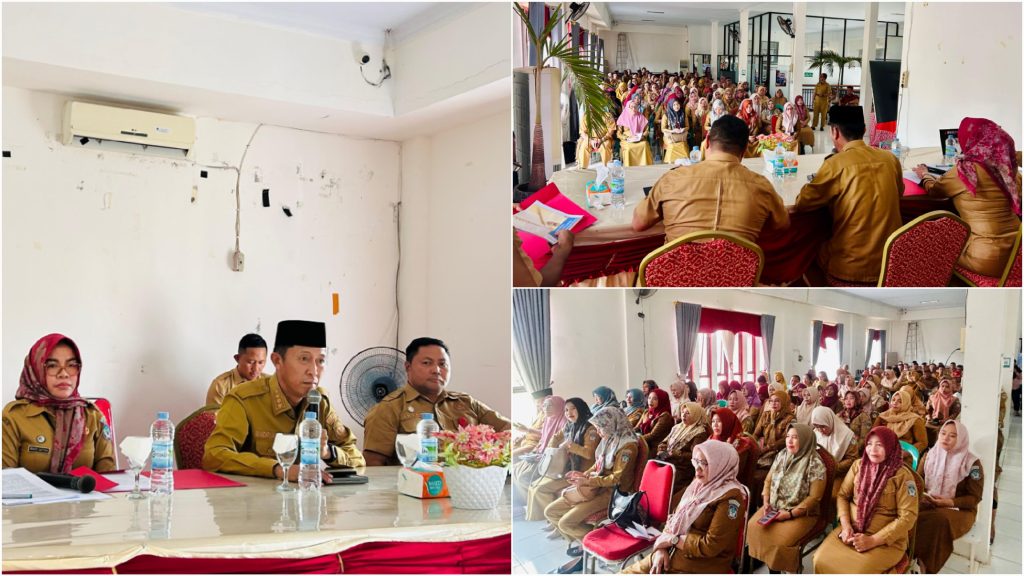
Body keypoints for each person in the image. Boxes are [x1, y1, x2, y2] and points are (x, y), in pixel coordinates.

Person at [203, 320, 364, 479]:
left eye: (320, 361)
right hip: (253, 495)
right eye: (304, 359)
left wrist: (328, 452)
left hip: (305, 493)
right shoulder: (244, 399)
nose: (314, 371)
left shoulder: (319, 401)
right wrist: (277, 469)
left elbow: (357, 459)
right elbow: (214, 455)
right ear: (277, 361)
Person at [632, 114, 789, 244]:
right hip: (735, 273)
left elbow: (639, 224)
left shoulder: (673, 179)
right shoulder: (761, 186)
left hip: (677, 272)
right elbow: (782, 224)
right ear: (744, 150)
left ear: (707, 142)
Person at [793, 105, 904, 285]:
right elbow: (900, 193)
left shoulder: (835, 164)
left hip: (850, 268)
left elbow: (803, 203)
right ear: (864, 130)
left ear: (835, 132)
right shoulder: (890, 159)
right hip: (890, 264)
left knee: (805, 252)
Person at [362, 337, 510, 466]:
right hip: (416, 486)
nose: (436, 370)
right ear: (408, 367)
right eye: (427, 363)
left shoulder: (466, 403)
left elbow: (508, 430)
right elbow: (374, 465)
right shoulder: (389, 408)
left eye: (442, 364)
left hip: (469, 484)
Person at [913, 117, 1021, 277]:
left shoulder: (966, 171)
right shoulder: (1010, 169)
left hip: (985, 258)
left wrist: (925, 175)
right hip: (1017, 256)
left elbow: (935, 191)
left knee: (925, 244)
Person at [623, 440, 749, 574]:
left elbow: (711, 546)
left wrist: (673, 540)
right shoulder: (698, 485)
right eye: (696, 461)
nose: (697, 469)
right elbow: (674, 518)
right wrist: (661, 549)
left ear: (721, 465)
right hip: (672, 552)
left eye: (705, 463)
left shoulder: (731, 499)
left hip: (700, 564)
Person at [544, 407, 639, 574]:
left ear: (611, 424)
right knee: (551, 512)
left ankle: (592, 548)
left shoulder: (627, 446)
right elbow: (598, 464)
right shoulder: (610, 438)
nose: (598, 432)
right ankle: (587, 546)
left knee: (565, 523)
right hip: (595, 486)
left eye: (600, 427)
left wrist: (588, 480)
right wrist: (583, 474)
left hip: (612, 493)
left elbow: (616, 479)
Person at [813, 427, 919, 574]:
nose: (872, 449)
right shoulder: (858, 465)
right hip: (851, 532)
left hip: (885, 542)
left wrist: (873, 540)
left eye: (880, 445)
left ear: (890, 447)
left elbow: (908, 517)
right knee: (819, 560)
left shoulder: (903, 476)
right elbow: (843, 495)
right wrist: (846, 526)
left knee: (856, 572)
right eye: (869, 444)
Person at [2, 334, 114, 473]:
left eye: (71, 365)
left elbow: (108, 474)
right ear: (36, 369)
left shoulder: (92, 415)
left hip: (85, 488)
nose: (64, 374)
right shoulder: (14, 416)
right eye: (52, 366)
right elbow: (5, 478)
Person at [747, 423, 828, 573]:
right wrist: (766, 502)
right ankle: (771, 568)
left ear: (805, 440)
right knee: (752, 527)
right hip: (775, 506)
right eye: (788, 437)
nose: (789, 441)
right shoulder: (782, 454)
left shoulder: (815, 463)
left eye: (795, 437)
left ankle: (778, 568)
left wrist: (790, 514)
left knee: (779, 543)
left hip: (802, 513)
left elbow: (814, 498)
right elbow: (768, 480)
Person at [915, 420, 983, 573]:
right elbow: (917, 481)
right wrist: (923, 496)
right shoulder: (930, 455)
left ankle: (927, 567)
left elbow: (974, 498)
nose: (945, 438)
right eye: (943, 433)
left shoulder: (973, 463)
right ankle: (912, 557)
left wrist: (949, 502)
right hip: (930, 502)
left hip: (960, 510)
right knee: (908, 513)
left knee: (938, 521)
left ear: (961, 439)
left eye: (952, 436)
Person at [526, 398, 599, 521]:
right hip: (568, 467)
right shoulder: (569, 425)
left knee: (541, 489)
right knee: (534, 486)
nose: (569, 413)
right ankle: (548, 520)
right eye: (566, 410)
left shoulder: (590, 429)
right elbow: (555, 437)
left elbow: (589, 454)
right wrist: (552, 450)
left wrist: (570, 446)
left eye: (573, 409)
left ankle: (552, 520)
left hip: (581, 472)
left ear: (581, 409)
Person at [512, 396, 565, 503]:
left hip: (552, 458)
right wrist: (536, 450)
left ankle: (533, 502)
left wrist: (528, 431)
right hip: (540, 452)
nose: (546, 408)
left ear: (559, 406)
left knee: (523, 477)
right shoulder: (548, 419)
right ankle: (526, 502)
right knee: (515, 470)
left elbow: (559, 445)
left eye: (550, 405)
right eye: (544, 405)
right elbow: (543, 438)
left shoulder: (564, 421)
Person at [657, 402, 710, 499]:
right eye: (682, 412)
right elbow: (665, 441)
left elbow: (695, 456)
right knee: (653, 465)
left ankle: (665, 502)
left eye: (687, 413)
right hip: (669, 458)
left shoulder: (700, 432)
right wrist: (662, 446)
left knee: (665, 478)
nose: (683, 415)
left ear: (695, 415)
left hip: (683, 466)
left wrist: (677, 453)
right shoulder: (678, 427)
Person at [206, 333, 271, 407]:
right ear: (237, 358)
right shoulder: (220, 386)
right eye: (251, 362)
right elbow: (215, 414)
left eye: (261, 362)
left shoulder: (271, 383)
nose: (256, 368)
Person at [812, 406, 859, 498]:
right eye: (817, 427)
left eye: (823, 426)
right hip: (819, 471)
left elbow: (852, 459)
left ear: (830, 421)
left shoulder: (847, 436)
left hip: (838, 472)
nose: (820, 430)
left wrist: (832, 467)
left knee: (833, 495)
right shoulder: (815, 433)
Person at [753, 391, 796, 473]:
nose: (773, 403)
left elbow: (784, 440)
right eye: (771, 401)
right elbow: (756, 433)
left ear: (784, 402)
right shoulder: (766, 415)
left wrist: (767, 448)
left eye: (777, 401)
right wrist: (754, 445)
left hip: (779, 452)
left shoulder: (790, 418)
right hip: (763, 449)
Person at [512, 386, 552, 451]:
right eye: (536, 402)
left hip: (535, 444)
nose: (537, 405)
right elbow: (535, 428)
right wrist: (523, 436)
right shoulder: (540, 413)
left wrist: (526, 430)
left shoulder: (551, 416)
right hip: (526, 440)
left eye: (539, 402)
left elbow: (546, 435)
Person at [616, 96, 653, 166]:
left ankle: (645, 167)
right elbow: (618, 133)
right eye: (631, 107)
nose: (633, 109)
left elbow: (646, 130)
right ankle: (630, 167)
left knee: (644, 145)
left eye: (635, 107)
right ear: (628, 108)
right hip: (627, 140)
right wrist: (626, 138)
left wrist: (642, 136)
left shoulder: (640, 117)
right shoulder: (623, 118)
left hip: (639, 138)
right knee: (629, 148)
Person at [636, 388, 674, 453]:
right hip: (644, 443)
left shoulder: (665, 416)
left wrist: (635, 439)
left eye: (655, 399)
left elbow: (652, 435)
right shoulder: (647, 412)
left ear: (661, 400)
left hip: (655, 448)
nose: (650, 401)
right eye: (649, 398)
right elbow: (637, 427)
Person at [662, 97, 691, 163]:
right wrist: (673, 131)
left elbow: (687, 127)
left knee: (683, 143)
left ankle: (684, 160)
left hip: (680, 135)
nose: (676, 106)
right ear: (671, 106)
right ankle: (671, 160)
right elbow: (663, 129)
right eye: (674, 105)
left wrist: (683, 129)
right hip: (670, 135)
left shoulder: (683, 114)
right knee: (672, 145)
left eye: (677, 104)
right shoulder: (666, 115)